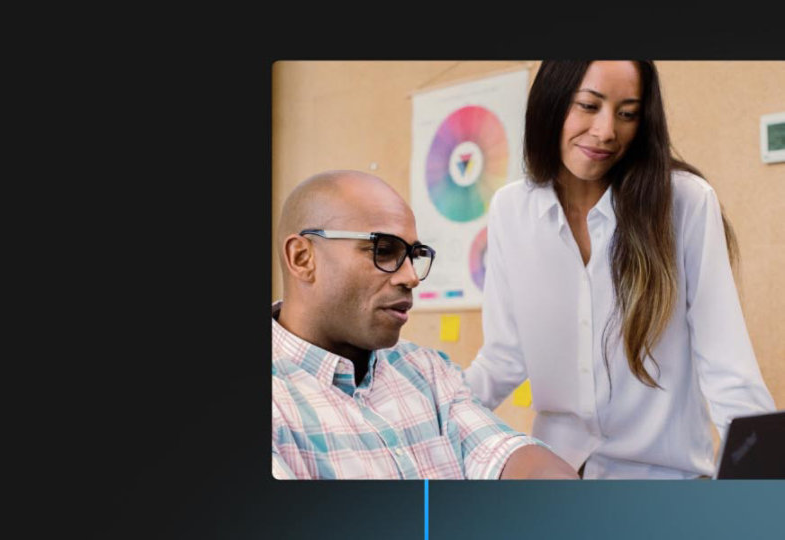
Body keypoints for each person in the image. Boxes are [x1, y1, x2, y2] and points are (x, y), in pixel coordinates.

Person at [464, 60, 776, 479]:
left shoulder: (684, 203)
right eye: (588, 106)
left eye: (627, 113)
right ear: (551, 104)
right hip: (558, 479)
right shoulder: (510, 210)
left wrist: (765, 478)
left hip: (665, 485)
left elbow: (727, 369)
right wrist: (432, 415)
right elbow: (503, 357)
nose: (607, 131)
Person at [272, 169, 579, 479]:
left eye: (414, 256)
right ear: (302, 258)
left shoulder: (426, 370)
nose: (411, 277)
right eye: (383, 251)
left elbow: (498, 450)